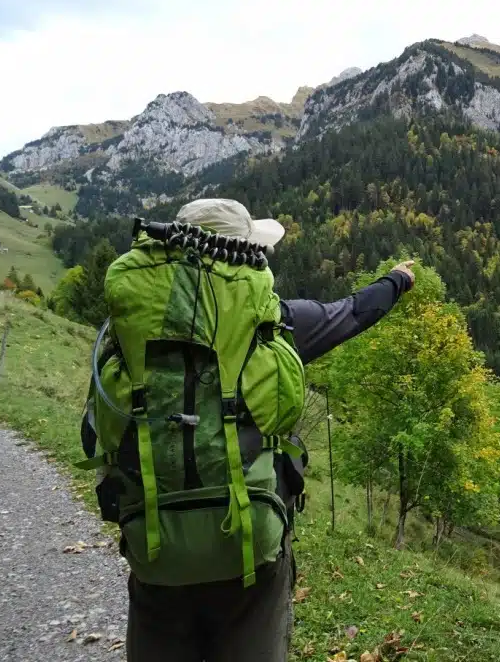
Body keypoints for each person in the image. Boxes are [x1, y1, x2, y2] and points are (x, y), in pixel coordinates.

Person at [79, 199, 414, 661]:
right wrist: (398, 279)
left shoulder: (128, 328)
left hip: (155, 544)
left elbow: (98, 430)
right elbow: (354, 312)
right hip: (248, 548)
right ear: (240, 251)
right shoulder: (274, 322)